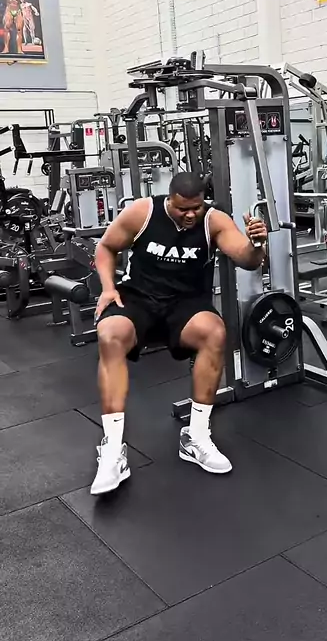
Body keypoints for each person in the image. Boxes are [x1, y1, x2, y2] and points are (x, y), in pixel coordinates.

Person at [91, 171, 268, 495]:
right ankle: (113, 449)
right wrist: (107, 288)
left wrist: (257, 244)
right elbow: (106, 247)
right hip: (139, 298)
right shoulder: (142, 212)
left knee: (214, 332)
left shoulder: (214, 220)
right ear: (169, 200)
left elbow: (247, 260)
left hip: (186, 304)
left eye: (195, 208)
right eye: (182, 209)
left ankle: (196, 436)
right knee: (109, 334)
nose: (189, 215)